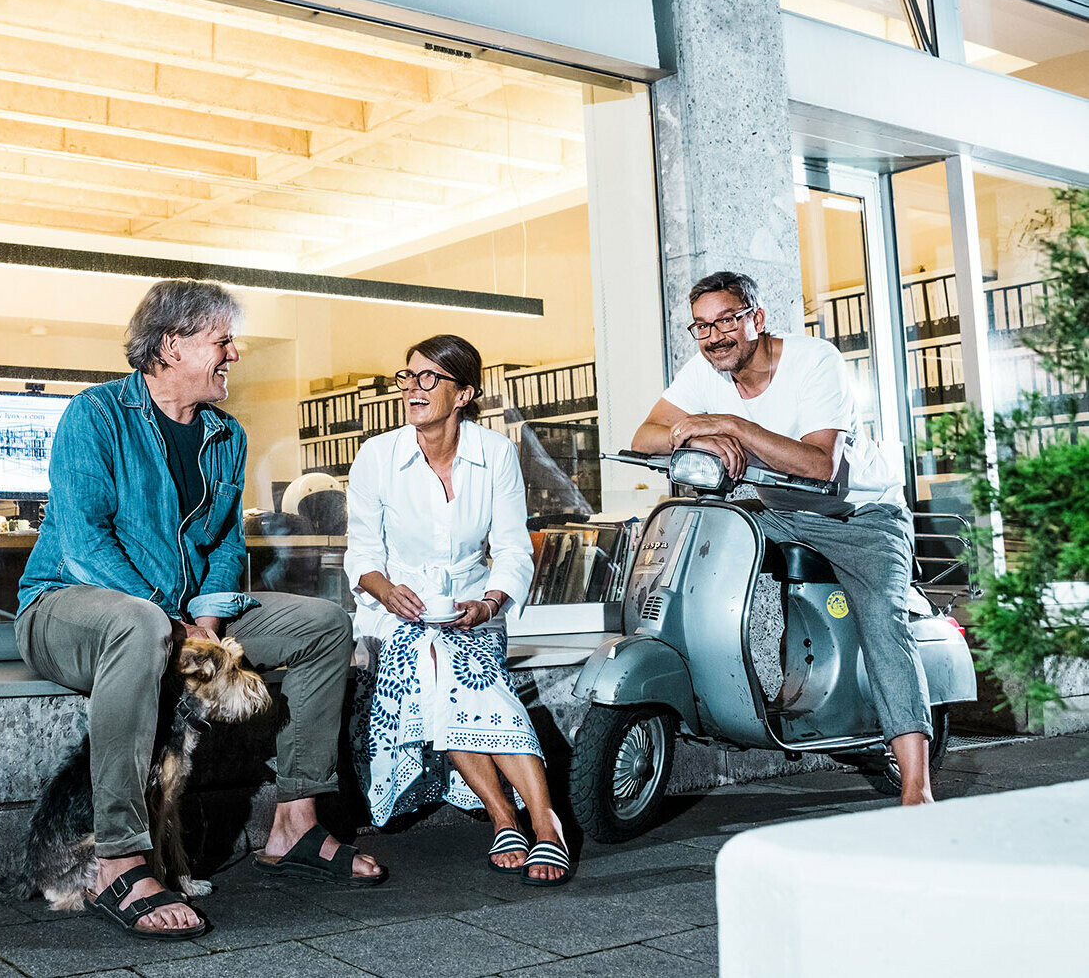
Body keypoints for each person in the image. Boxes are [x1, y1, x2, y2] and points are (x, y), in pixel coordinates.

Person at [16, 279, 385, 941]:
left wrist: (209, 620)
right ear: (169, 345)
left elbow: (223, 544)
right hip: (68, 606)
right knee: (143, 624)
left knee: (323, 626)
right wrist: (174, 618)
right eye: (222, 340)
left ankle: (295, 821)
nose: (234, 353)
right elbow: (83, 542)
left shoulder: (225, 435)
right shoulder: (95, 414)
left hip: (183, 616)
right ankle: (119, 856)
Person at [631, 270, 935, 805]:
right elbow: (644, 435)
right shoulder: (704, 369)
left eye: (727, 320)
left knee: (882, 622)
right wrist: (693, 429)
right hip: (779, 512)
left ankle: (917, 786)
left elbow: (820, 464)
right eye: (701, 327)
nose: (714, 337)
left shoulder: (815, 361)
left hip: (857, 515)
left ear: (757, 318)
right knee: (699, 557)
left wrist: (731, 425)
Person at [345, 334, 571, 885]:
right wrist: (385, 591)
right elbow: (363, 556)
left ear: (464, 392)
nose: (412, 389)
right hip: (393, 613)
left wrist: (488, 602)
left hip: (471, 609)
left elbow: (514, 550)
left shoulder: (493, 454)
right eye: (407, 376)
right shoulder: (378, 455)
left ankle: (532, 824)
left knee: (452, 665)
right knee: (440, 664)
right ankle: (518, 818)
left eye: (429, 378)